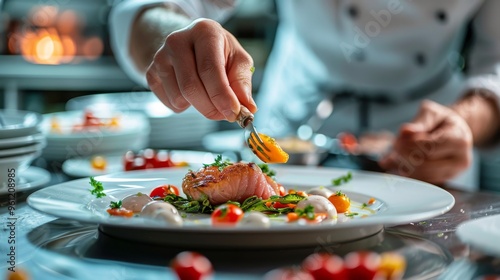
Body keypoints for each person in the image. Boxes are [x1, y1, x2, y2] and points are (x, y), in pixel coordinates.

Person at [109, 0, 500, 187]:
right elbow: (154, 7)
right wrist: (178, 40)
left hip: (428, 139)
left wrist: (463, 123)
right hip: (297, 123)